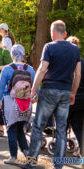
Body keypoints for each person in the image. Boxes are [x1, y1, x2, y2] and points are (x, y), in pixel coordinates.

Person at [20, 20, 81, 169]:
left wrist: (34, 90)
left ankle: (31, 162)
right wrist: (73, 92)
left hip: (49, 90)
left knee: (38, 126)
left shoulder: (49, 46)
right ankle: (58, 165)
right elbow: (77, 74)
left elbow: (42, 69)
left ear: (52, 33)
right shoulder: (75, 50)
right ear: (65, 33)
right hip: (66, 91)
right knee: (61, 129)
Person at [0, 44, 35, 165]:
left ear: (12, 55)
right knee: (20, 130)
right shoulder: (30, 69)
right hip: (25, 103)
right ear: (23, 54)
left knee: (11, 130)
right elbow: (36, 88)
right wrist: (35, 97)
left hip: (10, 102)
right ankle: (29, 155)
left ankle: (13, 157)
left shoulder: (7, 69)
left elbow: (1, 87)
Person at [66, 36, 83, 156]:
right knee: (79, 128)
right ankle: (82, 150)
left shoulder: (64, 62)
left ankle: (60, 154)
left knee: (62, 127)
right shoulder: (83, 62)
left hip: (66, 99)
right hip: (81, 100)